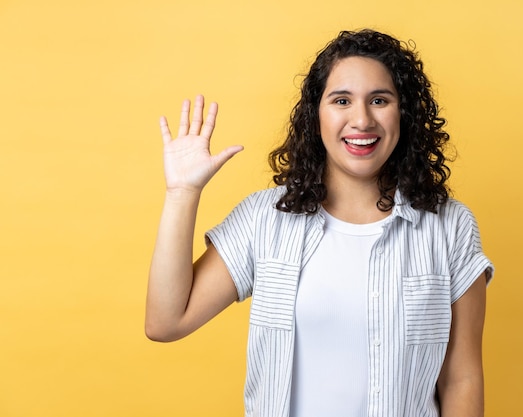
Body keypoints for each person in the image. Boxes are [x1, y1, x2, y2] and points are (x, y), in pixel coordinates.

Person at [146, 29, 494, 417]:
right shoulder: (265, 219)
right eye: (341, 100)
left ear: (404, 115)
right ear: (316, 117)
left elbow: (461, 378)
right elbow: (165, 322)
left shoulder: (450, 228)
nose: (361, 119)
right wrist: (181, 193)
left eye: (379, 100)